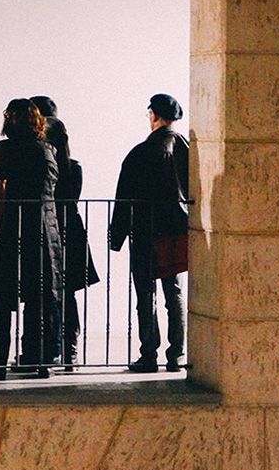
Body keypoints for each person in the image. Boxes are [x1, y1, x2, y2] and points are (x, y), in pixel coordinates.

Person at [0, 99, 64, 381]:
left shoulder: (2, 151)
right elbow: (52, 186)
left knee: (2, 303)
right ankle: (36, 362)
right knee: (38, 301)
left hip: (7, 231)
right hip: (39, 232)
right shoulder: (47, 150)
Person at [109, 93, 189, 373]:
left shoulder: (140, 152)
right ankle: (177, 355)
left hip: (144, 231)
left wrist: (115, 236)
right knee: (174, 291)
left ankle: (149, 354)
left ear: (153, 115)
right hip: (176, 230)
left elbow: (124, 198)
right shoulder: (186, 148)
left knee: (146, 293)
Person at [30, 96, 99, 371]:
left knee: (48, 294)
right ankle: (69, 351)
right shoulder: (74, 167)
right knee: (67, 294)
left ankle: (51, 350)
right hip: (71, 232)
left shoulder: (45, 165)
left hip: (51, 233)